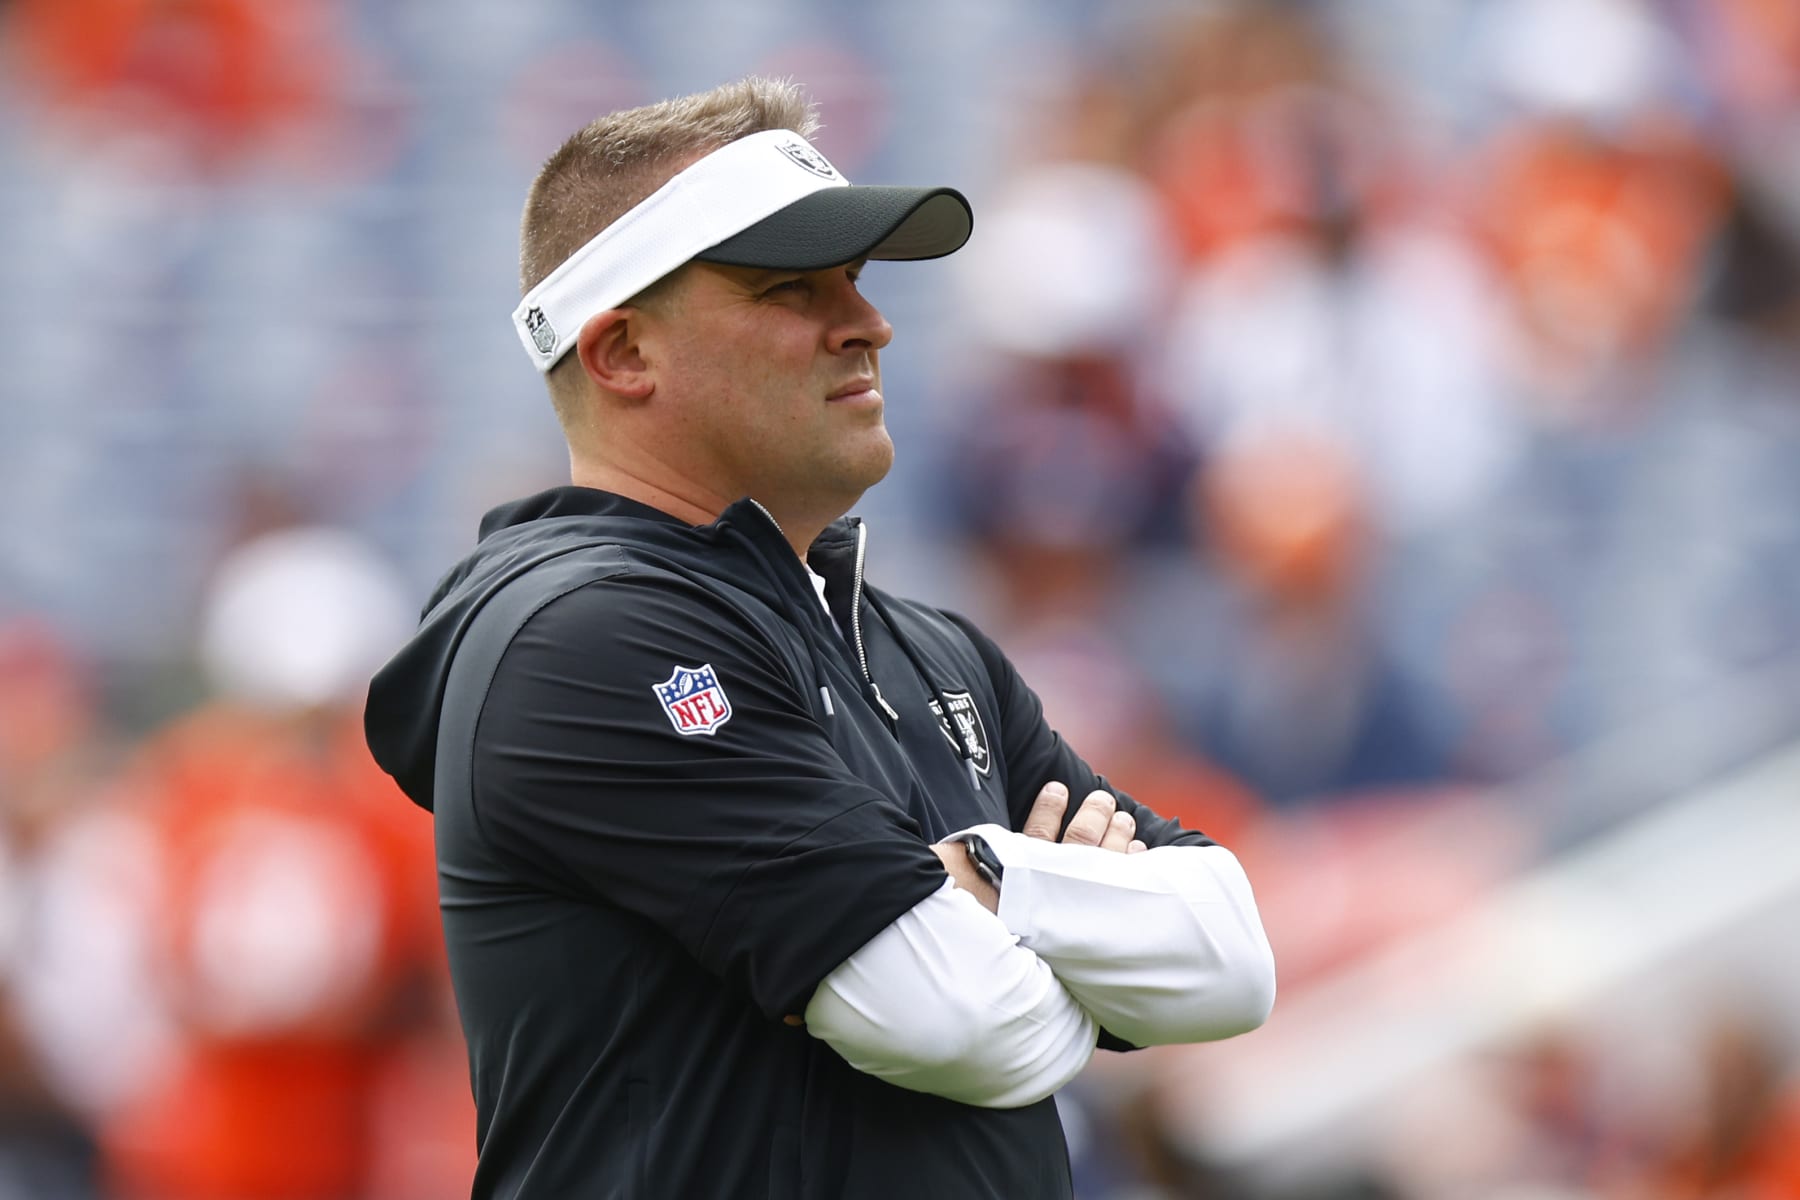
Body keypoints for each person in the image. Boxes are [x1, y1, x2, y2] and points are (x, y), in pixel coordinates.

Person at [364, 76, 1275, 1200]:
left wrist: (990, 879)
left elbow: (1232, 961)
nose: (868, 321)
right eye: (791, 287)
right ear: (621, 356)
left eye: (856, 278)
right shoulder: (585, 636)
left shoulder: (930, 647)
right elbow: (971, 1028)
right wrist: (1075, 924)